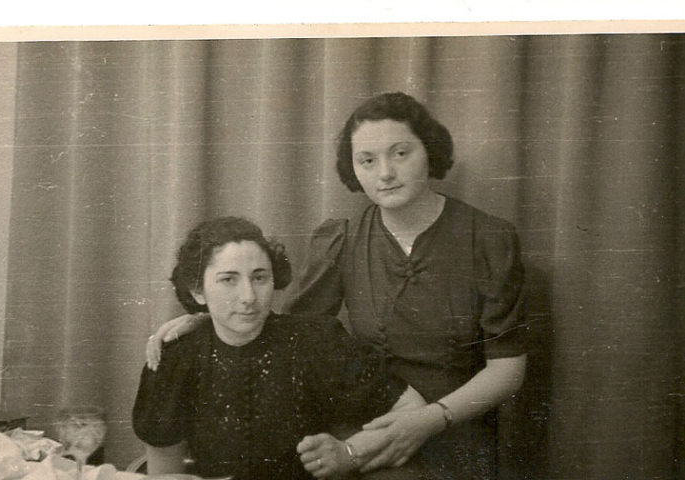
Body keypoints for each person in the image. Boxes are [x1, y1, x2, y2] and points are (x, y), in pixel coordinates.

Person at [146, 92, 528, 479]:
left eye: (400, 153)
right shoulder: (342, 239)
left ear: (429, 150)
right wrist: (206, 319)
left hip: (454, 428)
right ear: (353, 168)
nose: (385, 173)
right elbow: (284, 326)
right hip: (365, 428)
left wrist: (430, 419)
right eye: (367, 160)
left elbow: (508, 369)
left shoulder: (488, 238)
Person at [132, 216, 426, 480]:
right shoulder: (175, 358)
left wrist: (350, 451)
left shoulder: (315, 341)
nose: (249, 296)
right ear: (198, 291)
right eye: (228, 280)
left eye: (259, 277)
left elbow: (413, 409)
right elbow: (165, 474)